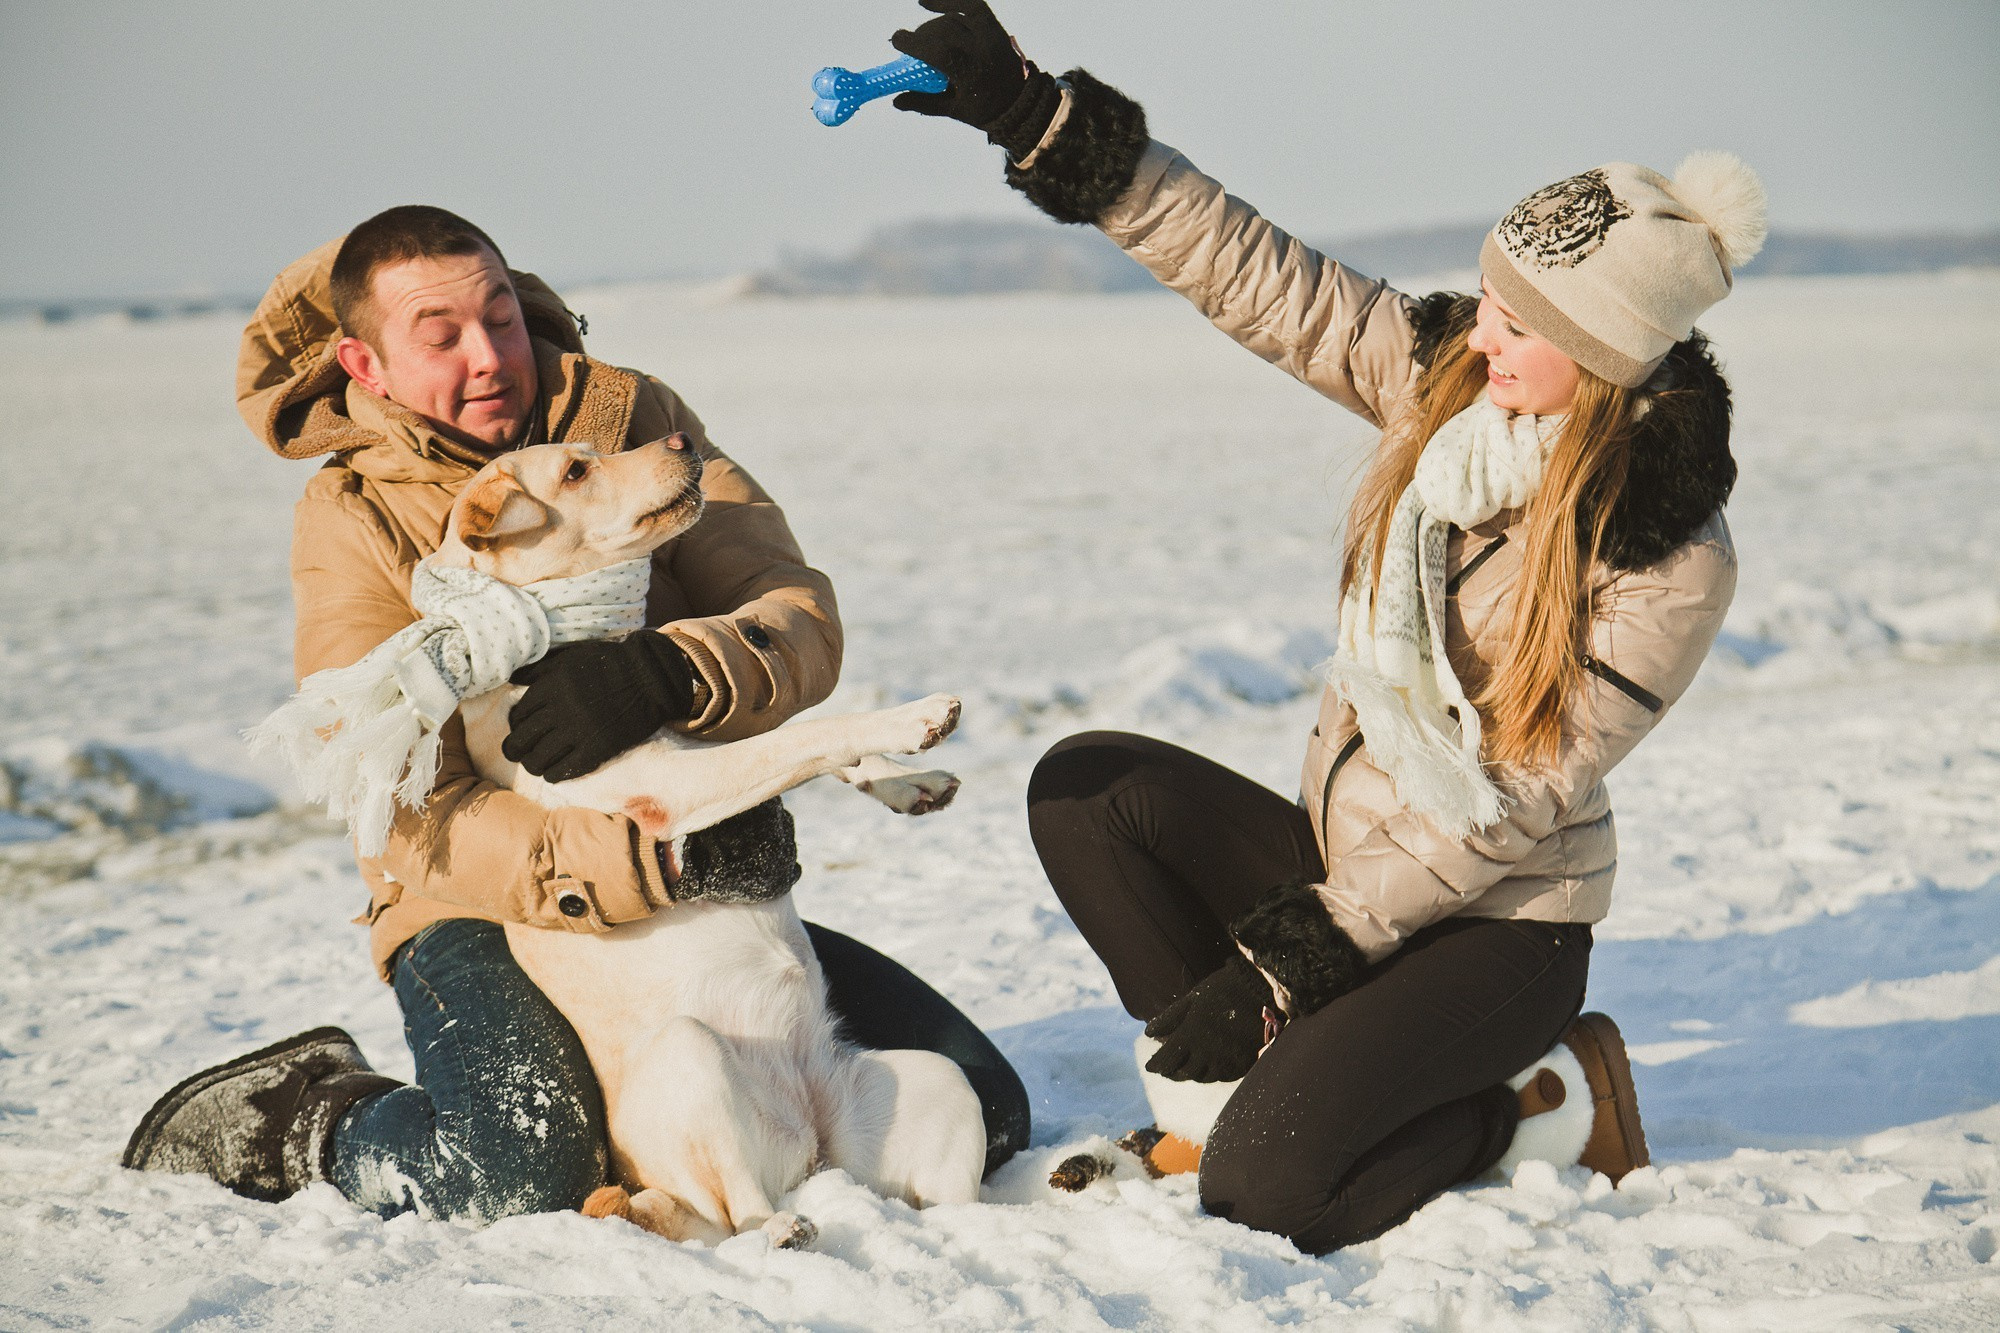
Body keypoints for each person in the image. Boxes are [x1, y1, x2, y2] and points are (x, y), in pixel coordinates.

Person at [888, 0, 1757, 1252]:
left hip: (1496, 921)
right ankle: (1241, 1085)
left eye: (1523, 324)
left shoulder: (1662, 554)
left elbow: (1507, 796)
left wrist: (1284, 964)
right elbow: (1257, 275)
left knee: (1267, 1193)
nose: (1484, 333)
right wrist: (1039, 119)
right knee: (1085, 790)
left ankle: (1529, 1107)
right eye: (1491, 300)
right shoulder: (1449, 388)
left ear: (1608, 351)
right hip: (1348, 862)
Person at [122, 205, 1028, 1220]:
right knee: (523, 1172)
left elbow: (792, 613)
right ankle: (305, 1115)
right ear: (363, 365)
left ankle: (675, 1139)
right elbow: (400, 801)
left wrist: (670, 674)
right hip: (479, 896)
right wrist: (645, 860)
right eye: (441, 337)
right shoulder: (354, 519)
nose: (488, 358)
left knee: (983, 1107)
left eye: (501, 318)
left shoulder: (627, 424)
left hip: (694, 849)